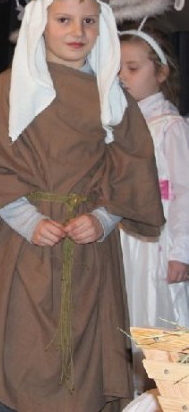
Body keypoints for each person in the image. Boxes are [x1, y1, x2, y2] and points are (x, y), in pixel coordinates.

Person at [0, 0, 165, 411]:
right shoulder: (10, 89)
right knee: (17, 352)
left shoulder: (111, 94)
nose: (77, 31)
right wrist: (26, 219)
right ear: (41, 23)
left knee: (83, 369)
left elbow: (130, 169)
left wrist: (103, 218)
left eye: (88, 21)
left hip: (88, 253)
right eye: (63, 20)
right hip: (24, 249)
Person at [118, 22, 189, 390]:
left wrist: (181, 252)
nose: (122, 77)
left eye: (132, 68)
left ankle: (177, 399)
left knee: (161, 329)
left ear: (161, 73)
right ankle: (137, 402)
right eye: (118, 68)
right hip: (123, 243)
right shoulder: (116, 126)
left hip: (156, 245)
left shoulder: (170, 126)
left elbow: (184, 192)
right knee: (128, 328)